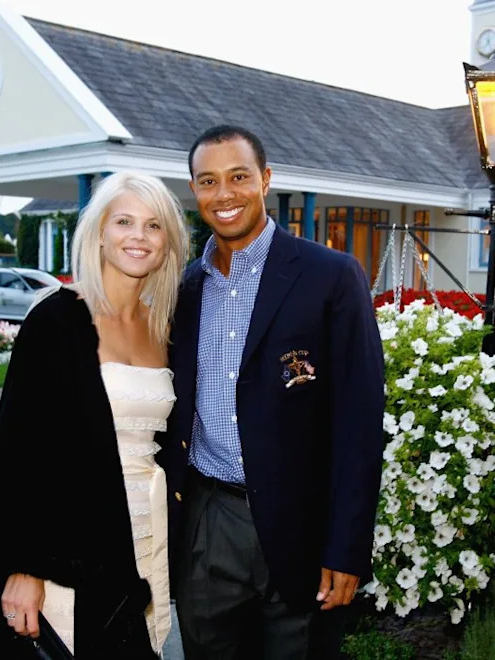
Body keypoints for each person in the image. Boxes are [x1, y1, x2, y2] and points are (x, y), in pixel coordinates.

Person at [0, 171, 189, 659]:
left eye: (154, 226)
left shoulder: (163, 326)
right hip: (70, 538)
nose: (138, 236)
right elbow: (18, 454)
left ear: (169, 242)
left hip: (143, 530)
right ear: (99, 233)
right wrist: (23, 568)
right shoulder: (56, 320)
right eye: (124, 221)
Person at [158, 125, 385, 659]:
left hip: (301, 528)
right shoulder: (184, 289)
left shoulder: (330, 277)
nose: (225, 194)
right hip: (208, 521)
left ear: (265, 179)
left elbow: (359, 424)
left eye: (238, 177)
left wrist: (347, 549)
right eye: (208, 181)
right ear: (195, 190)